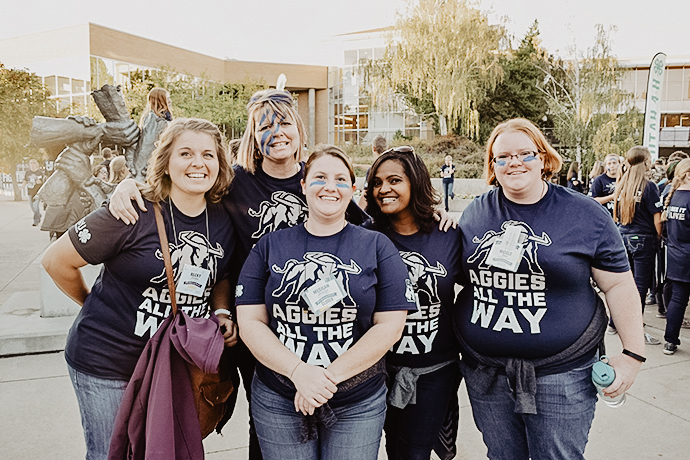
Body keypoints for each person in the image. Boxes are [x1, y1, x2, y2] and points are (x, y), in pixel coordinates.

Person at [108, 89, 368, 460]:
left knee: (325, 412)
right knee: (266, 424)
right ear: (253, 136)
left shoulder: (317, 178)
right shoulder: (236, 182)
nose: (276, 132)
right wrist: (128, 185)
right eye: (265, 125)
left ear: (299, 129)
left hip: (319, 325)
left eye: (284, 122)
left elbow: (370, 227)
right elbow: (180, 188)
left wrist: (434, 220)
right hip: (256, 326)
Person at [41, 118, 238, 460]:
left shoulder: (223, 219)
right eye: (186, 153)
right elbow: (56, 260)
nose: (198, 163)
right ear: (166, 161)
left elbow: (221, 274)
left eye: (208, 155)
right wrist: (91, 303)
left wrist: (220, 311)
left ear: (220, 164)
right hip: (109, 363)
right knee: (110, 454)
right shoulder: (132, 210)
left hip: (174, 368)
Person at [454, 118, 645, 460]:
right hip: (487, 374)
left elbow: (618, 284)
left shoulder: (584, 214)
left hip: (563, 375)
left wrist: (631, 354)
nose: (514, 162)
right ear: (493, 166)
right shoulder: (475, 212)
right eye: (503, 157)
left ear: (543, 158)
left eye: (525, 154)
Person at [235, 145, 415, 460]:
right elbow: (250, 322)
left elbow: (390, 326)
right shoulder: (270, 245)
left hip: (357, 400)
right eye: (319, 177)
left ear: (353, 189)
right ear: (303, 185)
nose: (330, 186)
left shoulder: (376, 245)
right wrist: (298, 373)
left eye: (340, 179)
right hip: (279, 397)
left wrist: (324, 379)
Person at [365, 146, 462, 460]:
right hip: (377, 370)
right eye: (377, 182)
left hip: (433, 371)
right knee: (394, 449)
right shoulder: (365, 237)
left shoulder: (448, 234)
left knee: (413, 454)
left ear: (416, 183)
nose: (384, 189)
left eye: (395, 180)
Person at [610, 146, 663, 345]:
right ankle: (634, 328)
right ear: (645, 162)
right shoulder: (649, 186)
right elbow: (657, 218)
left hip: (623, 236)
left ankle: (614, 322)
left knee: (622, 284)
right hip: (643, 239)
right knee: (639, 287)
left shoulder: (622, 184)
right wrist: (657, 237)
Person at [661, 158, 690, 354]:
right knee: (678, 300)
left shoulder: (673, 196)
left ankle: (670, 340)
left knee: (677, 300)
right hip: (685, 254)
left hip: (675, 254)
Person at [127, 87, 173, 182]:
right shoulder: (156, 121)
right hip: (148, 168)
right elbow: (148, 144)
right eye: (167, 98)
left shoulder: (155, 118)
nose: (170, 101)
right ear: (161, 100)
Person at [358, 134, 388, 209]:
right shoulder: (395, 167)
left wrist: (358, 214)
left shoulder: (372, 170)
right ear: (387, 148)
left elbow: (365, 195)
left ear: (373, 149)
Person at [21, 159, 46, 226]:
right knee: (32, 207)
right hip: (30, 192)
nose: (32, 165)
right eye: (31, 164)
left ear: (36, 165)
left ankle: (36, 221)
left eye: (33, 163)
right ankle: (39, 215)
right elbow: (25, 180)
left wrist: (39, 182)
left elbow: (43, 182)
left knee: (35, 206)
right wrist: (21, 187)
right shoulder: (27, 173)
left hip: (37, 193)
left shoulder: (40, 173)